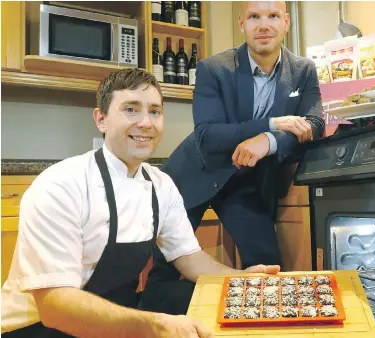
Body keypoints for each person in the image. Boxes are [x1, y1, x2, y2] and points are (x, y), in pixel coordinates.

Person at [1, 68, 280, 338]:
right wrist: (155, 327)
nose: (146, 122)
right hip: (37, 328)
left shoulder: (161, 185)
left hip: (113, 316)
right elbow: (54, 308)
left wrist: (240, 279)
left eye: (155, 111)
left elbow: (191, 260)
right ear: (101, 119)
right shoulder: (61, 184)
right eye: (131, 109)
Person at [139, 1, 325, 315]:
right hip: (196, 173)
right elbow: (208, 135)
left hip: (246, 180)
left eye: (272, 16)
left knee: (267, 264)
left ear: (286, 22)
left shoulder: (303, 70)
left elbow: (315, 125)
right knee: (167, 266)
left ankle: (250, 326)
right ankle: (161, 324)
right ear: (242, 24)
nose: (263, 25)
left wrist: (266, 141)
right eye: (254, 17)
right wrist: (271, 124)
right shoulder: (214, 67)